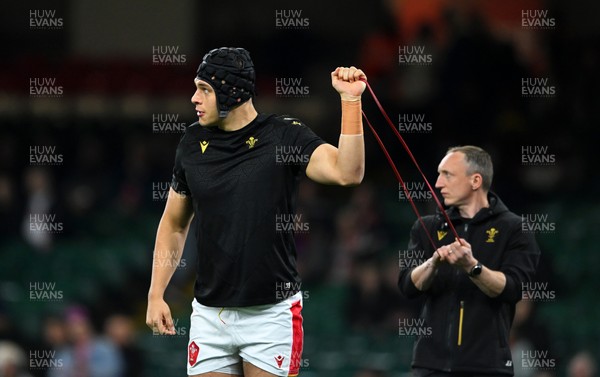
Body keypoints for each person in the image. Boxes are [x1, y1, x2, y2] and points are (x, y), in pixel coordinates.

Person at [145, 47, 366, 377]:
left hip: (270, 315)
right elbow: (174, 224)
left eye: (204, 89)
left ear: (231, 92)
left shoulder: (283, 135)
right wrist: (155, 294)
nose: (194, 98)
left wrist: (350, 102)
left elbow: (348, 172)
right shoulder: (191, 143)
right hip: (210, 314)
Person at [397, 146, 540, 376]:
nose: (437, 184)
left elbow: (514, 289)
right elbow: (407, 285)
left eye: (447, 175)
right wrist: (432, 264)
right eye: (438, 174)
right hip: (429, 365)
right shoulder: (427, 227)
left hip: (485, 367)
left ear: (475, 180)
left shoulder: (515, 228)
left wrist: (472, 267)